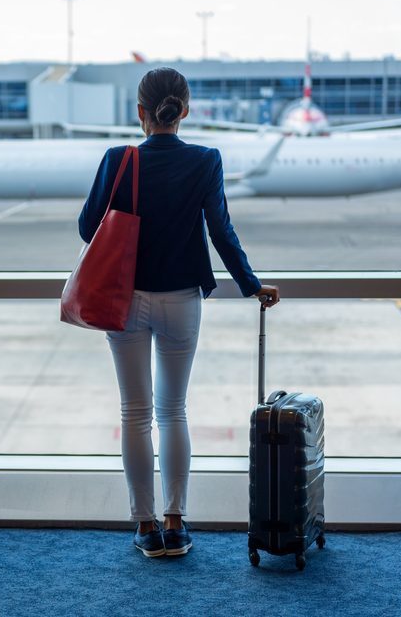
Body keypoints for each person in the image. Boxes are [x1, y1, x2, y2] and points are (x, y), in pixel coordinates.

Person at [78, 67, 280, 558]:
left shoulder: (117, 159)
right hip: (182, 300)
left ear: (141, 113)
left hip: (124, 299)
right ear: (184, 111)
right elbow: (221, 233)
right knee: (173, 411)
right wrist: (252, 286)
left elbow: (88, 229)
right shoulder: (206, 160)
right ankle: (175, 522)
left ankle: (145, 527)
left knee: (134, 413)